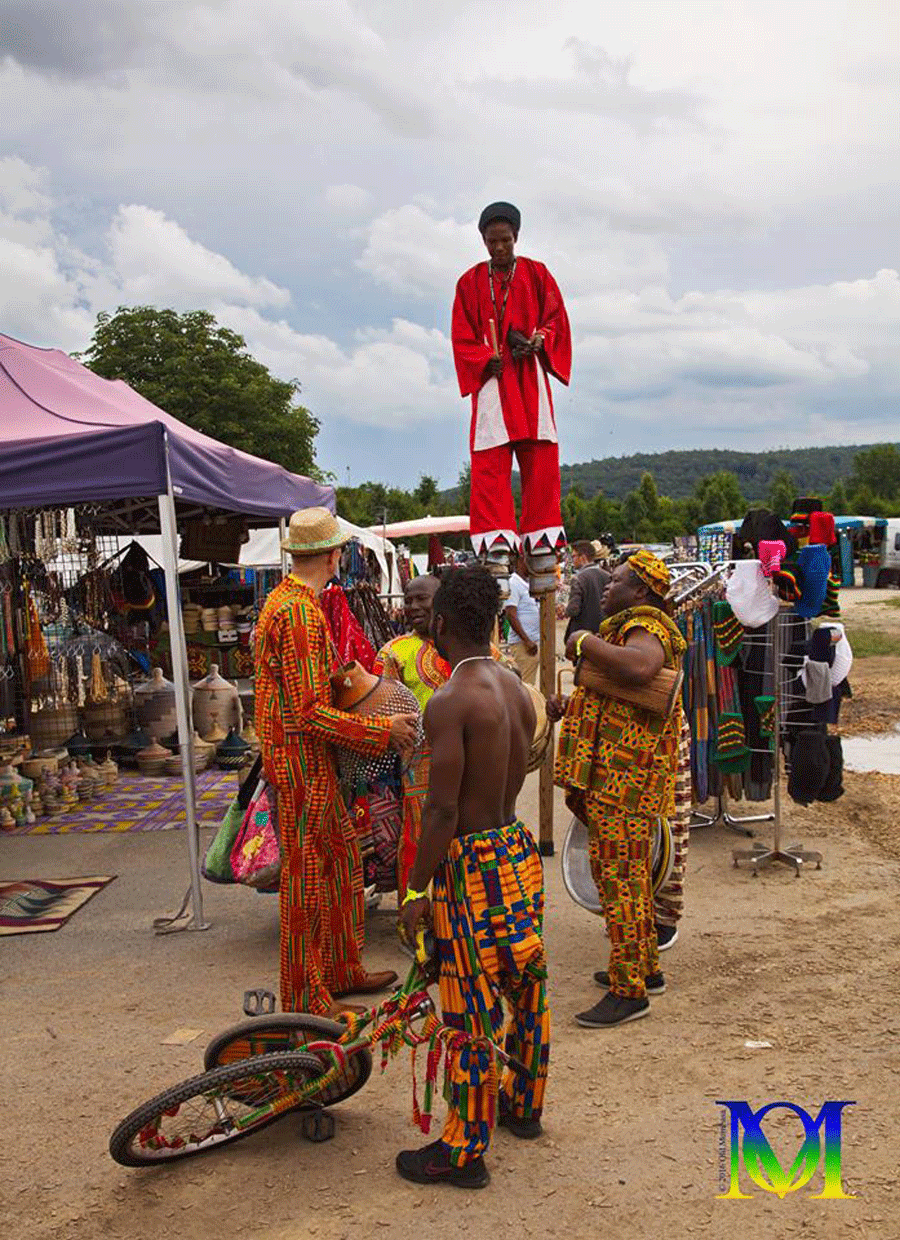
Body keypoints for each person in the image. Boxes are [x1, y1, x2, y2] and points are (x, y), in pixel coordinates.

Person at [397, 567, 550, 1189]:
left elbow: (441, 809)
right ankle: (524, 1104)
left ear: (440, 624)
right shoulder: (514, 687)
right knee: (525, 985)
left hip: (469, 864)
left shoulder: (449, 700)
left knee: (468, 1006)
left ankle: (464, 1149)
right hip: (515, 850)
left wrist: (413, 889)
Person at [254, 507, 418, 1017]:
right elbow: (307, 712)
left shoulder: (290, 602)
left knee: (343, 860)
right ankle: (305, 997)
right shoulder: (299, 613)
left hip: (303, 759)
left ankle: (343, 968)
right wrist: (380, 729)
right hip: (302, 761)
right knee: (306, 880)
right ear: (334, 555)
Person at [551, 550, 686, 1029]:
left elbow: (639, 669)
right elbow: (620, 695)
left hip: (623, 781)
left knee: (620, 881)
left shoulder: (647, 624)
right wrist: (573, 704)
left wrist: (584, 640)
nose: (607, 586)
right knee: (628, 879)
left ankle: (629, 992)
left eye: (619, 580)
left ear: (642, 592)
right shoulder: (630, 626)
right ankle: (643, 970)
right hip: (617, 777)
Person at [375, 575, 517, 898]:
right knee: (418, 836)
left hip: (475, 763)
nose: (412, 607)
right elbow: (383, 708)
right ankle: (419, 915)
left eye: (421, 599)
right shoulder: (393, 653)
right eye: (408, 600)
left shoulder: (481, 651)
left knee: (467, 832)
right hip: (419, 765)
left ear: (442, 608)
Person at [451, 202, 571, 559]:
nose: (499, 248)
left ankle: (542, 534)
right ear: (483, 241)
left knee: (542, 456)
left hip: (529, 377)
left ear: (516, 237)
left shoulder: (537, 275)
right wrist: (487, 357)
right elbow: (462, 337)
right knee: (490, 461)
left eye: (505, 240)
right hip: (494, 380)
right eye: (492, 242)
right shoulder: (470, 283)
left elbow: (556, 321)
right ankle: (495, 540)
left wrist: (540, 340)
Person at [564, 540, 611, 642]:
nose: (572, 560)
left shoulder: (578, 578)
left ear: (583, 557)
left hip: (583, 636)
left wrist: (565, 611)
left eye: (574, 556)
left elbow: (573, 609)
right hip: (605, 633)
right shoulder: (608, 576)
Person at [505, 555, 540, 684]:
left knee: (530, 682)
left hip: (533, 641)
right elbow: (510, 614)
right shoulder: (514, 583)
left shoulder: (528, 582)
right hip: (523, 644)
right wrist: (527, 640)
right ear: (521, 560)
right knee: (526, 684)